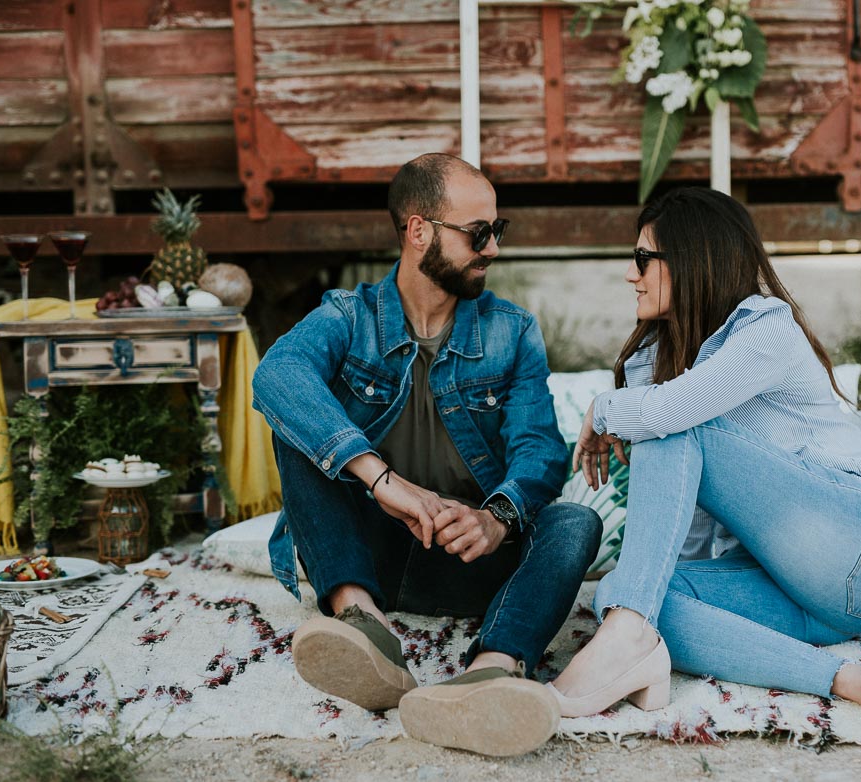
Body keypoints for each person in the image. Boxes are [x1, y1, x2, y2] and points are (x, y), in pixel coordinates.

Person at [252, 153, 602, 756]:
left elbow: (539, 448)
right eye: (478, 233)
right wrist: (385, 484)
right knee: (299, 431)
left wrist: (497, 520)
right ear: (419, 232)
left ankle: (488, 673)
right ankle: (367, 634)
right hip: (370, 558)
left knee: (576, 522)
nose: (493, 248)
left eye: (498, 231)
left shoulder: (511, 330)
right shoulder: (346, 316)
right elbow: (276, 376)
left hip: (474, 557)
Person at [546, 187, 861, 730]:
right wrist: (638, 593)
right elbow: (685, 526)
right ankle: (851, 679)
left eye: (642, 259)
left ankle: (629, 639)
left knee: (666, 424)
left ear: (691, 260)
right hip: (801, 600)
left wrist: (605, 408)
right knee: (629, 595)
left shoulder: (764, 329)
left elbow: (669, 414)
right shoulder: (655, 365)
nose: (631, 276)